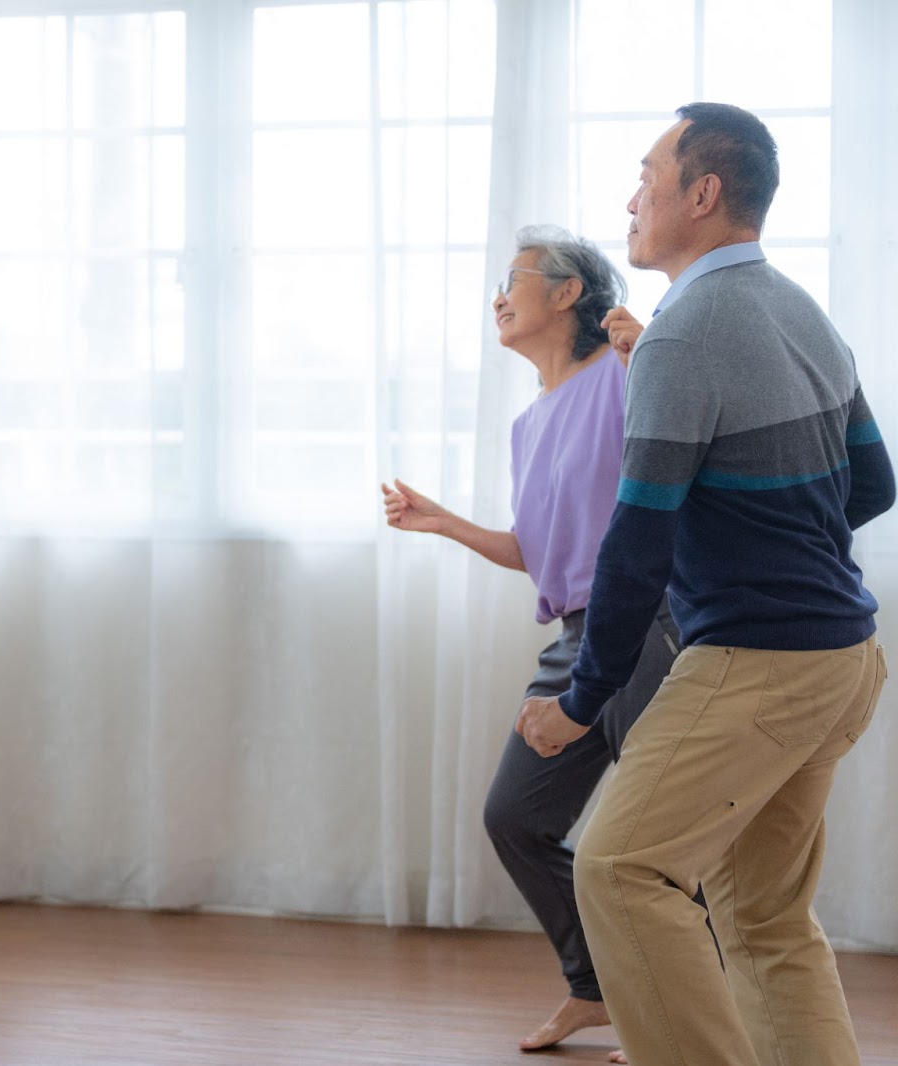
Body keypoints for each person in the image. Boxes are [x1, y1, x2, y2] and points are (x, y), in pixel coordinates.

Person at [516, 103, 893, 1066]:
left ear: (704, 193)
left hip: (760, 665)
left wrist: (579, 698)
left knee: (618, 867)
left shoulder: (683, 335)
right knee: (762, 917)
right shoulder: (796, 307)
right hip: (845, 658)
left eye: (647, 175)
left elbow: (636, 547)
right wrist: (775, 553)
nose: (631, 198)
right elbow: (875, 484)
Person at [383, 226, 677, 1062]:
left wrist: (648, 351)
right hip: (578, 636)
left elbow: (691, 436)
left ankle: (679, 1017)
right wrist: (446, 524)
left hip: (648, 627)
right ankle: (595, 990)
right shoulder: (529, 421)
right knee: (515, 817)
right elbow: (539, 550)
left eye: (513, 280)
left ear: (568, 293)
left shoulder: (622, 376)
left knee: (655, 843)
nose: (498, 298)